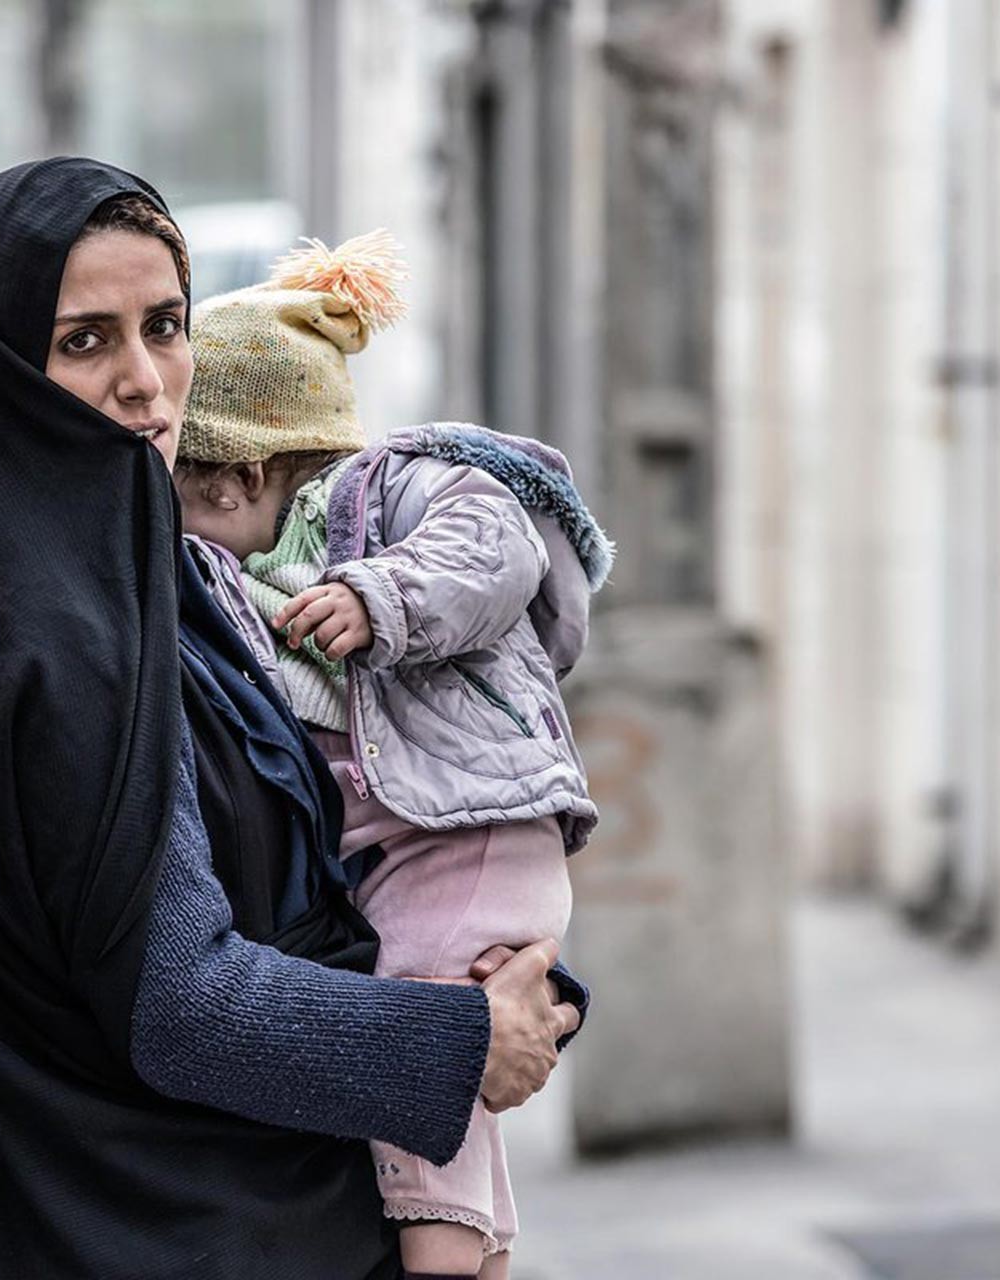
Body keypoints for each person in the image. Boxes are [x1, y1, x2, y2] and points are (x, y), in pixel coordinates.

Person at [0, 157, 585, 1279]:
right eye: (84, 341)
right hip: (153, 1228)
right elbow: (181, 1001)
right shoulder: (46, 645)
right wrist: (459, 1038)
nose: (147, 381)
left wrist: (501, 972)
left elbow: (318, 868)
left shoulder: (154, 586)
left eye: (165, 324)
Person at [172, 230, 611, 1278]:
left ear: (239, 473)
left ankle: (440, 1259)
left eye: (179, 492)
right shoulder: (243, 565)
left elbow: (493, 544)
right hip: (403, 837)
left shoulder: (384, 495)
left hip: (465, 826)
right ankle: (486, 1251)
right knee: (457, 1063)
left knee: (427, 1036)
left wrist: (383, 597)